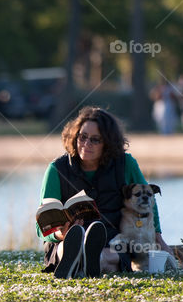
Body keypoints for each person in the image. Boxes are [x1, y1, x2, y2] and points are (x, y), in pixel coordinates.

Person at [38, 106, 173, 278]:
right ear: (75, 137)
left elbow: (149, 198)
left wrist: (158, 238)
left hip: (113, 241)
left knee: (109, 255)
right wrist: (59, 233)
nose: (86, 144)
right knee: (69, 246)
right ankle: (78, 257)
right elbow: (41, 225)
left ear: (108, 143)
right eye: (83, 137)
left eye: (95, 140)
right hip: (64, 240)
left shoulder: (126, 164)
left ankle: (85, 262)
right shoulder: (56, 169)